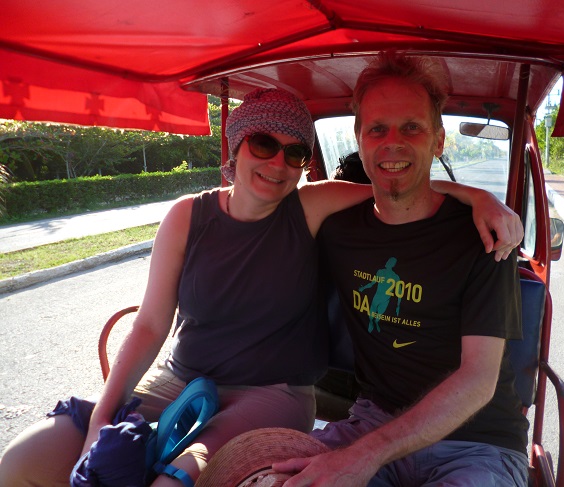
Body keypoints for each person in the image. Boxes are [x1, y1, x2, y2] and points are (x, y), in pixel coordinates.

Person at [0, 87, 522, 486]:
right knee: (23, 460)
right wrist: (102, 417)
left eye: (294, 153)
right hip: (181, 380)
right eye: (264, 143)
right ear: (236, 145)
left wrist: (478, 198)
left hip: (272, 392)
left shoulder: (311, 206)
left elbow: (399, 183)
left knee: (172, 480)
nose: (277, 163)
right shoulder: (187, 216)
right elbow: (151, 325)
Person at [274, 52, 530, 486]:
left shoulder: (484, 237)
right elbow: (248, 214)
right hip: (373, 420)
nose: (392, 142)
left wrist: (363, 457)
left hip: (477, 443)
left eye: (412, 127)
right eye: (377, 129)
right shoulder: (337, 226)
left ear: (438, 141)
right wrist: (474, 192)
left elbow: (477, 380)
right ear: (360, 142)